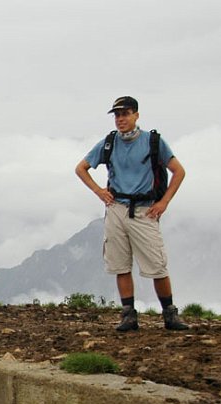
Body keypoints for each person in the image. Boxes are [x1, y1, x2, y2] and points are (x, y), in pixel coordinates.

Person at [75, 96, 189, 331]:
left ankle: (169, 314)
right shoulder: (109, 143)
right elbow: (81, 168)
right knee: (120, 264)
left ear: (136, 115)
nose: (120, 119)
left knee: (157, 265)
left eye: (125, 114)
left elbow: (178, 171)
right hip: (116, 208)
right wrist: (99, 191)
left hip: (145, 210)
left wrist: (164, 202)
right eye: (117, 115)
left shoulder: (152, 141)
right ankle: (128, 315)